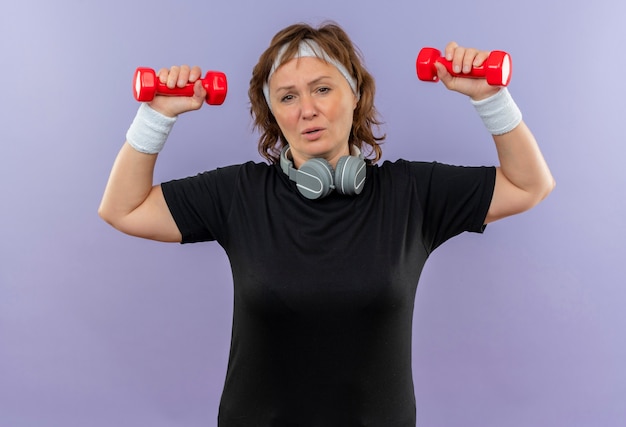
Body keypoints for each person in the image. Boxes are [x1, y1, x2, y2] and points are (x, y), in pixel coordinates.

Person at [99, 22, 554, 427]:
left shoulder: (413, 191)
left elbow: (528, 185)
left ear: (355, 95)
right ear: (272, 113)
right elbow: (124, 208)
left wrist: (490, 98)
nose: (306, 110)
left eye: (322, 89)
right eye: (287, 97)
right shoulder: (239, 193)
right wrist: (155, 115)